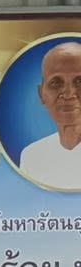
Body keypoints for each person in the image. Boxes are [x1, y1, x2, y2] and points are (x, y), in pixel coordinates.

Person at [16, 38, 81, 191]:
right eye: (56, 83)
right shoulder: (32, 156)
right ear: (41, 95)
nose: (69, 94)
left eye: (80, 81)